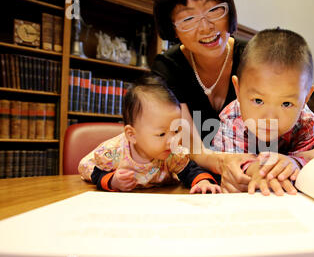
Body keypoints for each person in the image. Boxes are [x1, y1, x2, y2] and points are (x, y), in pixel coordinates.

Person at [151, 0, 314, 193]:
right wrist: (240, 166)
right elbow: (190, 145)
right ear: (172, 27)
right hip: (205, 178)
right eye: (189, 18)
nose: (206, 27)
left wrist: (301, 159)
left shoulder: (255, 59)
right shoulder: (169, 69)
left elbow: (309, 122)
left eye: (214, 9)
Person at [212, 28, 314, 196]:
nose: (269, 118)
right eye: (258, 101)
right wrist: (258, 171)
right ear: (238, 90)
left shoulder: (305, 120)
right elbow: (236, 162)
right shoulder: (232, 118)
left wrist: (295, 162)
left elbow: (311, 158)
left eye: (286, 103)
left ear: (306, 98)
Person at [78, 74, 221, 194]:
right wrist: (113, 180)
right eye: (161, 134)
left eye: (176, 131)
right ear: (132, 135)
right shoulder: (113, 152)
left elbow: (190, 169)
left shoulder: (172, 154)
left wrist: (203, 181)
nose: (172, 140)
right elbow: (97, 173)